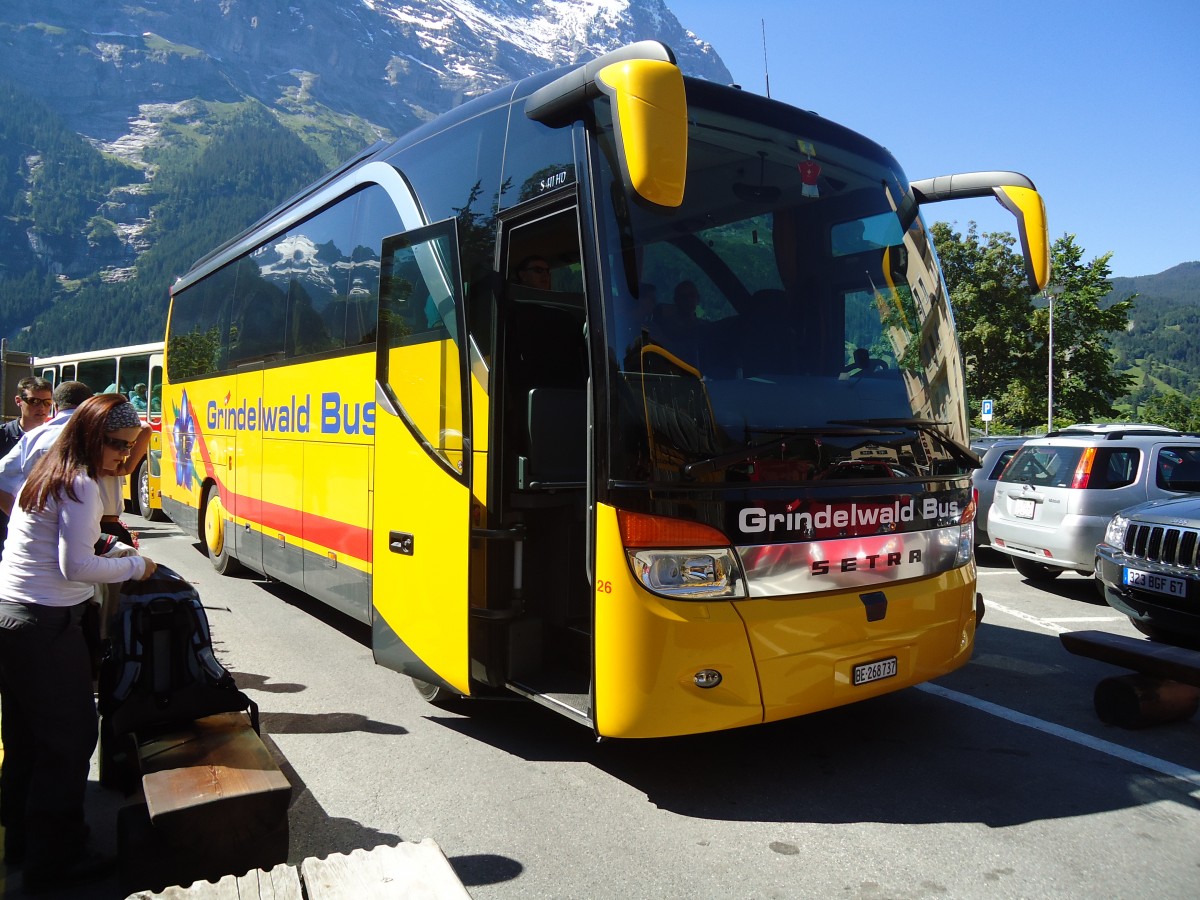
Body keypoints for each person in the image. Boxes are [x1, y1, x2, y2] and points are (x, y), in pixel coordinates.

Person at [0, 394, 157, 890]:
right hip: (47, 625)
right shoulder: (82, 484)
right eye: (118, 445)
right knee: (69, 741)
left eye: (130, 446)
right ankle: (55, 860)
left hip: (12, 617)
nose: (124, 457)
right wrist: (136, 565)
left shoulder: (47, 472)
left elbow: (61, 543)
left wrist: (109, 545)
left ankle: (20, 843)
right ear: (92, 436)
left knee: (25, 739)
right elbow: (76, 566)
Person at [0, 377, 55, 558]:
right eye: (34, 401)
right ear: (19, 401)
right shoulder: (3, 436)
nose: (42, 408)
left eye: (47, 403)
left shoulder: (55, 439)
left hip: (40, 528)